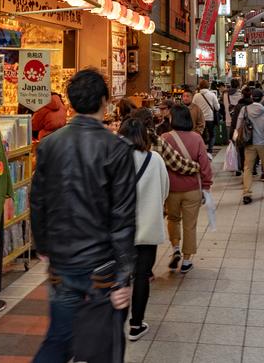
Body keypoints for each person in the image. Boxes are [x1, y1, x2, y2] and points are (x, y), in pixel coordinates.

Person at [30, 69, 136, 361]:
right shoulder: (117, 148)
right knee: (103, 346)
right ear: (105, 101)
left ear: (72, 102)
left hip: (62, 262)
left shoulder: (50, 145)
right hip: (102, 267)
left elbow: (38, 200)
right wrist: (124, 277)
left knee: (58, 341)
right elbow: (123, 217)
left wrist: (43, 247)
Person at [119, 118, 170, 342]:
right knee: (141, 277)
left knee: (119, 277)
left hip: (121, 230)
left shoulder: (115, 160)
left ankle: (114, 323)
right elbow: (165, 189)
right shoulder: (155, 159)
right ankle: (136, 324)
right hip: (147, 228)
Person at [162, 105, 213, 274]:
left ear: (172, 119)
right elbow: (205, 165)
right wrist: (206, 185)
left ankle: (175, 247)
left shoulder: (164, 138)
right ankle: (186, 260)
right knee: (190, 225)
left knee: (173, 219)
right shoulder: (197, 138)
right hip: (192, 189)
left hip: (171, 189)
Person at [132, 108, 200, 178]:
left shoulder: (125, 140)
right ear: (150, 121)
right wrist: (197, 166)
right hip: (152, 184)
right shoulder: (157, 141)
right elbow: (178, 164)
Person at [236, 87, 264, 204]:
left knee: (247, 168)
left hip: (249, 143)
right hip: (263, 144)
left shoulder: (245, 109)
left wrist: (238, 137)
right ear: (262, 98)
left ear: (252, 98)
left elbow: (238, 124)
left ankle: (247, 193)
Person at [195, 79, 219, 153]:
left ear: (200, 86)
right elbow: (217, 107)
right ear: (208, 86)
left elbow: (193, 106)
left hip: (199, 119)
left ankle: (201, 149)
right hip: (210, 118)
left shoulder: (196, 96)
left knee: (200, 135)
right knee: (212, 135)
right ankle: (210, 150)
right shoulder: (212, 95)